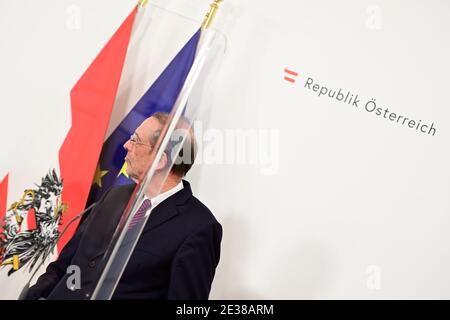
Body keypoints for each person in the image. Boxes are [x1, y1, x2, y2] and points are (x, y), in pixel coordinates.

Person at [26, 112, 222, 300]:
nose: (126, 145)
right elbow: (66, 263)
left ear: (160, 160)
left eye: (136, 140)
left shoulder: (199, 227)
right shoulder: (114, 196)